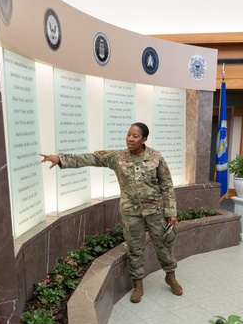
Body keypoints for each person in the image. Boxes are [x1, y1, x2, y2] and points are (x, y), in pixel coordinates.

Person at [39, 122, 181, 304]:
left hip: (156, 212)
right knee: (135, 249)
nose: (130, 138)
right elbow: (92, 158)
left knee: (163, 244)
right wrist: (60, 159)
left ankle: (170, 276)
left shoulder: (156, 157)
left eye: (135, 136)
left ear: (144, 139)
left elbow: (167, 185)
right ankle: (138, 285)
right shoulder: (118, 157)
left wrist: (171, 211)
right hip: (131, 213)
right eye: (129, 134)